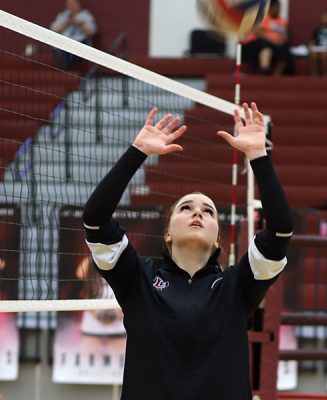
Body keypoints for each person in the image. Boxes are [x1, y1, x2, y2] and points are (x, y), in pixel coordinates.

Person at [82, 102, 293, 399]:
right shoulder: (137, 279)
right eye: (186, 208)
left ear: (218, 238)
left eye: (208, 211)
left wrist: (258, 156)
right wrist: (137, 151)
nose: (198, 213)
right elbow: (95, 219)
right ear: (168, 232)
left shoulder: (238, 286)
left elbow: (281, 230)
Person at [242, 0, 292, 76]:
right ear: (270, 8)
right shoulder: (262, 17)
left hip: (275, 45)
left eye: (279, 8)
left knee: (284, 49)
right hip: (256, 43)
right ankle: (265, 70)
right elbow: (257, 31)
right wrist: (273, 41)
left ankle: (276, 77)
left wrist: (280, 41)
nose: (278, 10)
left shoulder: (282, 21)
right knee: (265, 45)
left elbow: (284, 35)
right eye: (276, 8)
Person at [50, 0, 97, 70]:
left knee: (73, 51)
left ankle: (64, 66)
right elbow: (54, 30)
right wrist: (66, 22)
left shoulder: (85, 15)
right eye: (69, 4)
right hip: (64, 42)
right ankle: (63, 65)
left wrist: (80, 23)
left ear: (78, 4)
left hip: (79, 42)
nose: (71, 7)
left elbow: (91, 32)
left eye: (73, 4)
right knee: (57, 47)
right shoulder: (63, 15)